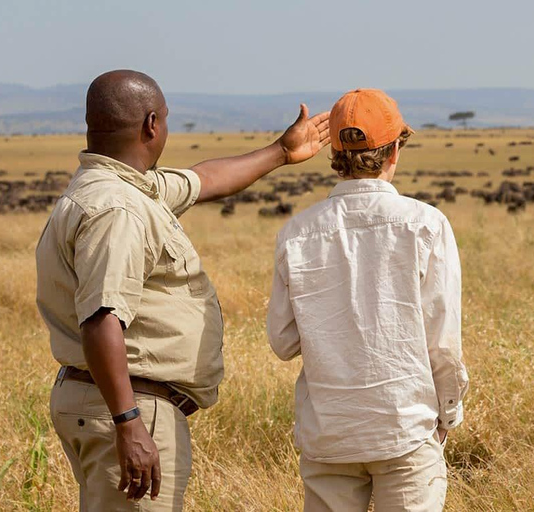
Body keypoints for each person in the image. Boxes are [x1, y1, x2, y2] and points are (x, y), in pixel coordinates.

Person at [36, 69, 330, 511]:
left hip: (113, 402)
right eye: (167, 119)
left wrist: (281, 152)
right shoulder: (118, 210)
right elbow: (101, 319)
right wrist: (129, 423)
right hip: (130, 405)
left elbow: (203, 179)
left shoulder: (123, 188)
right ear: (152, 124)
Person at [267, 89, 469, 511]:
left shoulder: (296, 233)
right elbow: (443, 344)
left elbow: (283, 344)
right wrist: (448, 414)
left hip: (329, 434)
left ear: (334, 154)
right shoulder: (426, 225)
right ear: (395, 149)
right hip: (405, 428)